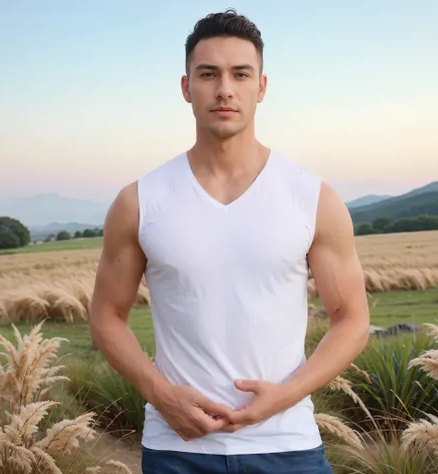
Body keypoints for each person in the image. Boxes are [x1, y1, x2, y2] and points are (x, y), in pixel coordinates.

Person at [89, 8, 370, 474]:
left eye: (241, 74)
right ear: (186, 88)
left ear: (261, 87)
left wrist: (286, 394)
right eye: (208, 74)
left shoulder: (311, 196)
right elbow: (105, 315)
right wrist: (162, 396)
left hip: (288, 445)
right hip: (177, 447)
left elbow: (352, 319)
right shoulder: (139, 201)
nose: (225, 89)